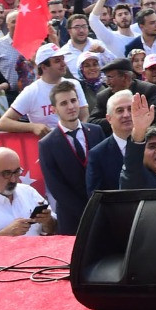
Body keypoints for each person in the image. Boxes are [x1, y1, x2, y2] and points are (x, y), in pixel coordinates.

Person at [37, 82, 103, 235]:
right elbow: (56, 187)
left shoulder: (96, 131)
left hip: (102, 211)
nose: (71, 106)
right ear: (54, 109)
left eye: (73, 100)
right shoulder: (46, 144)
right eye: (64, 103)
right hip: (71, 219)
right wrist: (87, 213)